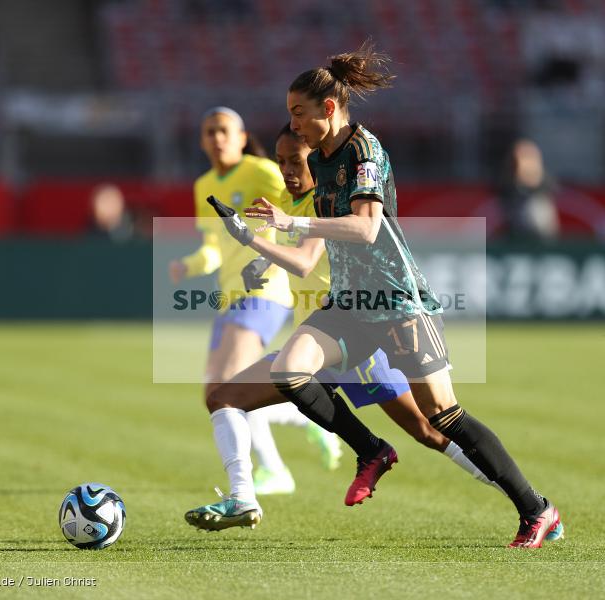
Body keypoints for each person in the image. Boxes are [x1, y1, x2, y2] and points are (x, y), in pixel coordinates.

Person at [220, 41, 562, 549]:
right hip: (351, 303)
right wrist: (264, 242)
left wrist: (291, 221)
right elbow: (318, 241)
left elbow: (364, 228)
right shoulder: (327, 157)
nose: (292, 124)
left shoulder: (364, 151)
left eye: (298, 113)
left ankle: (537, 510)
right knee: (289, 371)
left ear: (329, 109)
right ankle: (372, 450)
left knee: (443, 416)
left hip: (399, 299)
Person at [184, 125, 503, 532]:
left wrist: (250, 242)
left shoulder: (326, 203)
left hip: (355, 340)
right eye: (280, 161)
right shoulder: (288, 199)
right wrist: (261, 263)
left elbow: (303, 260)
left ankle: (519, 498)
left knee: (429, 430)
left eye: (294, 160)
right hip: (316, 344)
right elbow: (290, 248)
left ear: (315, 158)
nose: (286, 170)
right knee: (224, 397)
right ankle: (243, 497)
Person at [169, 106, 336, 495]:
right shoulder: (203, 185)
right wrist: (191, 265)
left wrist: (274, 251)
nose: (217, 138)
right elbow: (212, 245)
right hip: (230, 295)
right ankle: (301, 422)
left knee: (228, 388)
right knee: (215, 392)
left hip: (266, 291)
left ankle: (255, 480)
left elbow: (299, 205)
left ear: (242, 138)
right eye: (209, 131)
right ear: (201, 140)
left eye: (225, 130)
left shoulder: (261, 171)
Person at [496, 139, 559, 242]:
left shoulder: (545, 180)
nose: (525, 161)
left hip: (543, 235)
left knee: (536, 208)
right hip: (516, 232)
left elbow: (549, 189)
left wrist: (532, 174)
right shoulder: (507, 181)